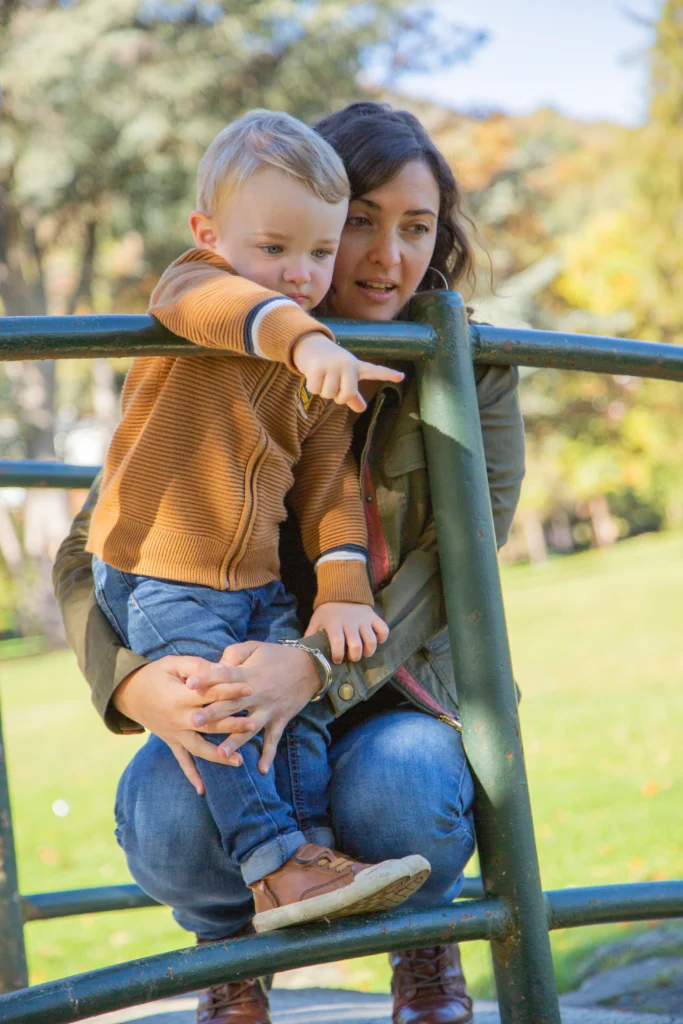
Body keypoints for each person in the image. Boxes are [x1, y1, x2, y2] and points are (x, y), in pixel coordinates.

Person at [54, 101, 526, 1024]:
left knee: (400, 782)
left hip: (387, 692)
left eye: (417, 228)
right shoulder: (215, 330)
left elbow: (455, 561)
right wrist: (132, 686)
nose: (388, 258)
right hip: (221, 653)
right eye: (361, 224)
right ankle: (229, 969)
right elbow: (91, 542)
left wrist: (309, 669)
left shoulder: (466, 363)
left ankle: (420, 951)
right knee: (167, 808)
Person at [87, 108, 429, 935]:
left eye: (318, 253)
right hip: (159, 565)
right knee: (223, 709)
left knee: (291, 710)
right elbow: (239, 311)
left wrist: (342, 589)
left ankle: (311, 854)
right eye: (272, 249)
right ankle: (272, 865)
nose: (299, 275)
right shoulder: (194, 288)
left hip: (251, 580)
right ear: (210, 233)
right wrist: (307, 343)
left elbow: (324, 489)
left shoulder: (316, 361)